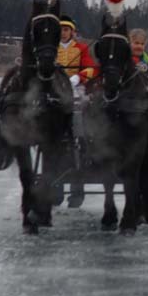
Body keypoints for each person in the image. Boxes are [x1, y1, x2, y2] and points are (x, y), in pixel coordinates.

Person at [56, 15, 97, 208]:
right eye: (60, 30)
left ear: (72, 32)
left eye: (66, 29)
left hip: (75, 88)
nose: (63, 33)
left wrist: (78, 78)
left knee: (81, 106)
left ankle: (80, 134)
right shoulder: (51, 48)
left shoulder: (81, 48)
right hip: (55, 89)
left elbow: (91, 69)